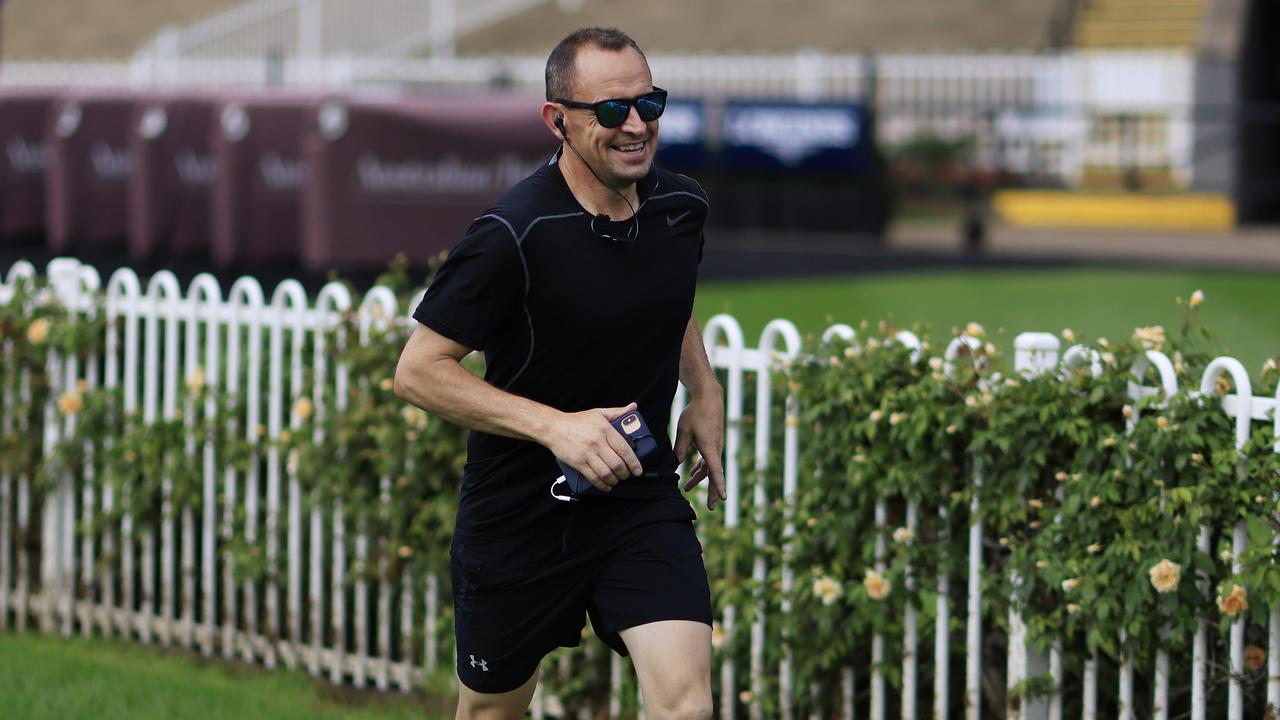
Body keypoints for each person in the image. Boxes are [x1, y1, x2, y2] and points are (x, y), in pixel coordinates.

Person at [393, 26, 726, 720]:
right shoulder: (511, 234)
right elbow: (419, 371)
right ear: (559, 121)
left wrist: (704, 388)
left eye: (649, 103)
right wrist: (555, 428)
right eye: (611, 111)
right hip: (519, 515)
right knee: (492, 711)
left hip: (638, 499)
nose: (636, 125)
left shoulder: (680, 208)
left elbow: (670, 296)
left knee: (687, 705)